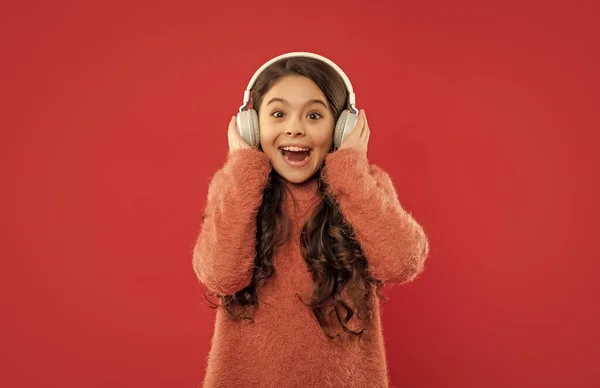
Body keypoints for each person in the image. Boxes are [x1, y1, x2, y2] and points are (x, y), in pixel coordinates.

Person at [192, 52, 429, 388]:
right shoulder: (236, 187)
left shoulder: (363, 185)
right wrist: (243, 169)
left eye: (314, 115)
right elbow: (220, 275)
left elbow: (402, 262)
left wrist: (351, 171)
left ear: (342, 127)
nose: (295, 128)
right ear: (252, 125)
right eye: (277, 113)